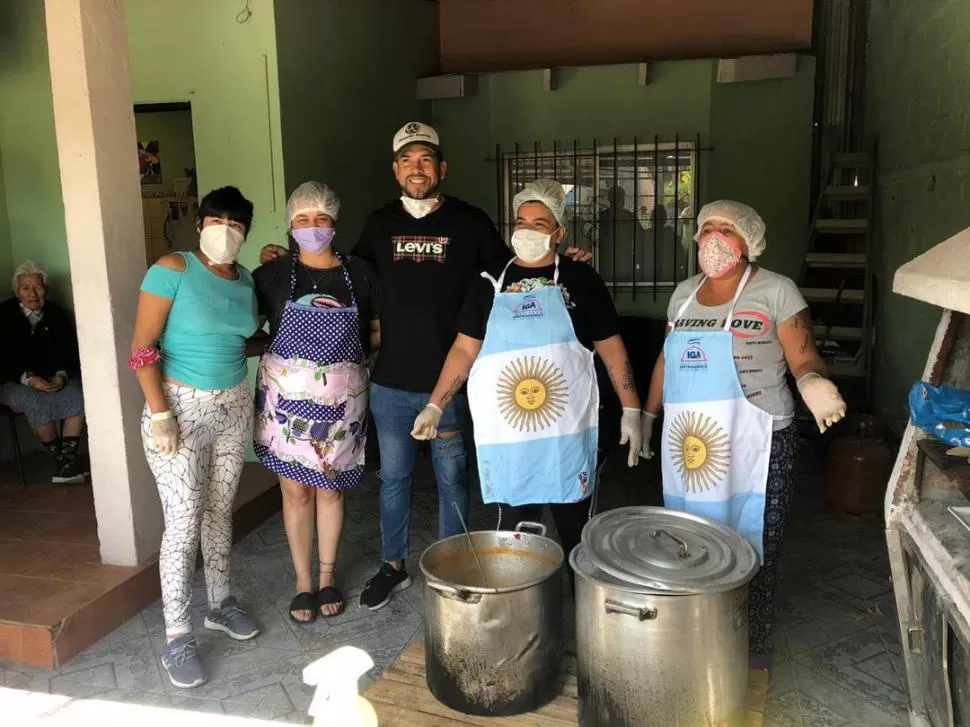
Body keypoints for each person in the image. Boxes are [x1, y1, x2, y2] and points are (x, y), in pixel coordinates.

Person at [259, 123, 592, 611]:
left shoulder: (471, 223)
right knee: (393, 478)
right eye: (407, 160)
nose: (417, 169)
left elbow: (517, 271)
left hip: (450, 384)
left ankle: (450, 568)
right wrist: (284, 259)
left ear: (442, 168)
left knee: (452, 479)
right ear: (396, 170)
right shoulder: (379, 224)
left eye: (426, 159)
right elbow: (340, 272)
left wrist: (566, 259)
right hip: (390, 383)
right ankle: (392, 566)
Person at [641, 200, 847, 672]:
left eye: (726, 230)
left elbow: (803, 356)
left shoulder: (776, 290)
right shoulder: (683, 295)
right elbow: (667, 360)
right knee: (689, 540)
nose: (713, 238)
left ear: (749, 242)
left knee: (753, 544)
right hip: (693, 445)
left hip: (760, 440)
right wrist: (646, 415)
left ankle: (750, 653)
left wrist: (813, 383)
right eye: (706, 228)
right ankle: (696, 640)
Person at [412, 180, 642, 561]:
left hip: (567, 437)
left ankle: (583, 599)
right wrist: (436, 405)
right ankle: (525, 601)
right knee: (515, 541)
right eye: (521, 222)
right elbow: (464, 350)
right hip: (510, 442)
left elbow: (611, 349)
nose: (527, 230)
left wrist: (631, 409)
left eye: (539, 223)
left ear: (559, 233)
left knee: (577, 536)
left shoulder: (581, 280)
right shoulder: (489, 284)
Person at [131, 186, 262, 689]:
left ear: (246, 232)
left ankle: (220, 604)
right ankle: (177, 635)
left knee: (219, 512)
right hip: (179, 410)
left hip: (233, 407)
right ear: (200, 224)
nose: (225, 230)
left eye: (236, 224)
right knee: (183, 523)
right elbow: (142, 349)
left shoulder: (245, 279)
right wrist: (160, 413)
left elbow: (236, 340)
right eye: (216, 220)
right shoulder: (173, 268)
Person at [251, 182, 380, 623]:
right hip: (286, 404)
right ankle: (303, 582)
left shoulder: (360, 273)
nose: (312, 226)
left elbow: (376, 332)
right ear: (290, 225)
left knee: (330, 488)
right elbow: (247, 328)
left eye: (321, 218)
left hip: (342, 403)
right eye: (303, 219)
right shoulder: (270, 275)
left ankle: (327, 576)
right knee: (295, 492)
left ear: (334, 222)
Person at [0, 261, 87, 484]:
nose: (32, 293)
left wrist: (62, 375)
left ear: (46, 289)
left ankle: (66, 464)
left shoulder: (56, 313)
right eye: (25, 288)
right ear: (16, 291)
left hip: (53, 377)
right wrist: (29, 379)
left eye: (37, 287)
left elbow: (70, 351)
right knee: (34, 401)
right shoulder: (3, 314)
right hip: (13, 382)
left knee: (77, 395)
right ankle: (64, 464)